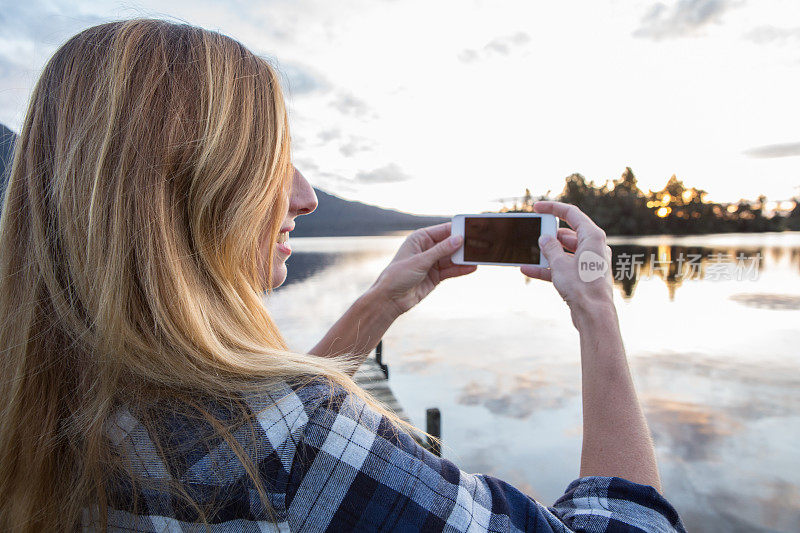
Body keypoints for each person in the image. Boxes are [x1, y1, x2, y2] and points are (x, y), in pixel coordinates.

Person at [0, 19, 686, 532]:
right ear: (186, 186)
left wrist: (378, 304)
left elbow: (246, 435)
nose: (305, 197)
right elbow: (632, 526)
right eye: (274, 159)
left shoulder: (49, 404)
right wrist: (596, 309)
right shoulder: (303, 443)